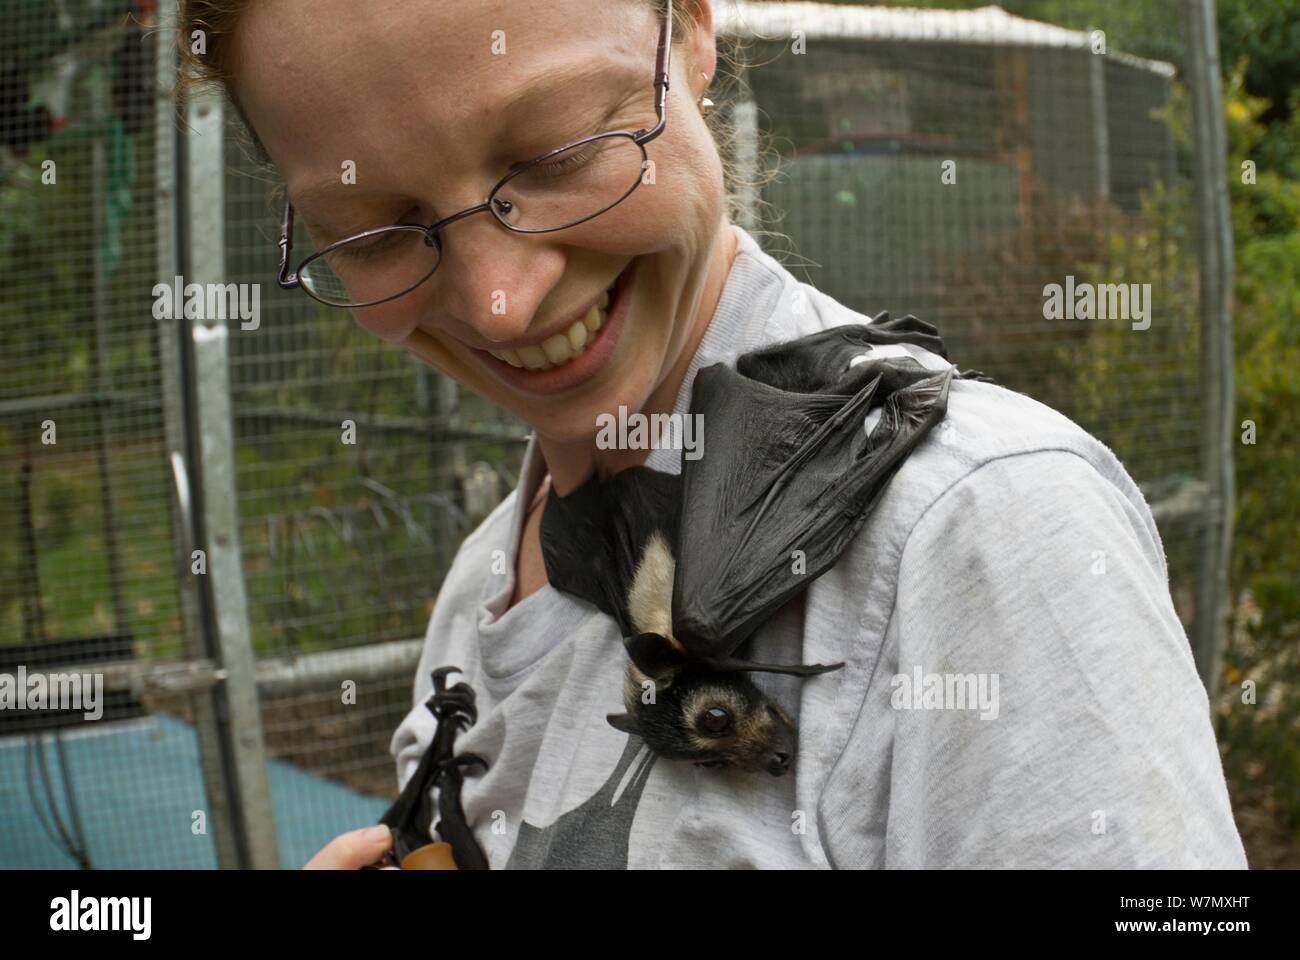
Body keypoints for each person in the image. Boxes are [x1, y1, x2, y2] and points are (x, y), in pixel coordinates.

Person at [180, 0, 1248, 869]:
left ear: (691, 31)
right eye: (373, 232)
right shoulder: (482, 579)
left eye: (558, 151)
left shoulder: (978, 528)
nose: (499, 304)